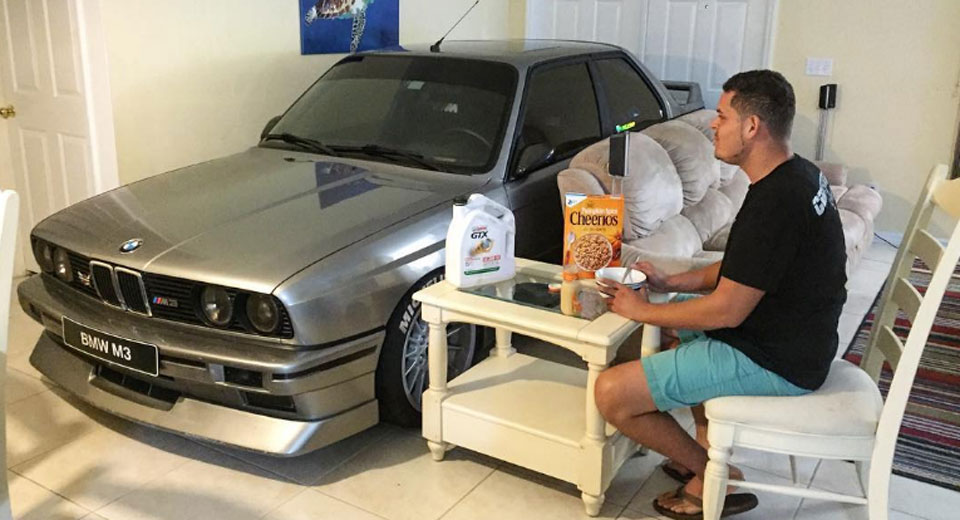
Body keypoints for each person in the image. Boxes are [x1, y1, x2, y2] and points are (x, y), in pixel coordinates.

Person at [595, 70, 847, 519]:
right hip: (791, 337)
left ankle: (715, 473)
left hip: (779, 359)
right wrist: (671, 285)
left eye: (721, 115)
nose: (714, 124)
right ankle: (708, 458)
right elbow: (745, 269)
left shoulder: (777, 202)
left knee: (612, 393)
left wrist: (641, 309)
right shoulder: (796, 174)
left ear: (752, 127)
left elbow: (727, 311)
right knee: (671, 325)